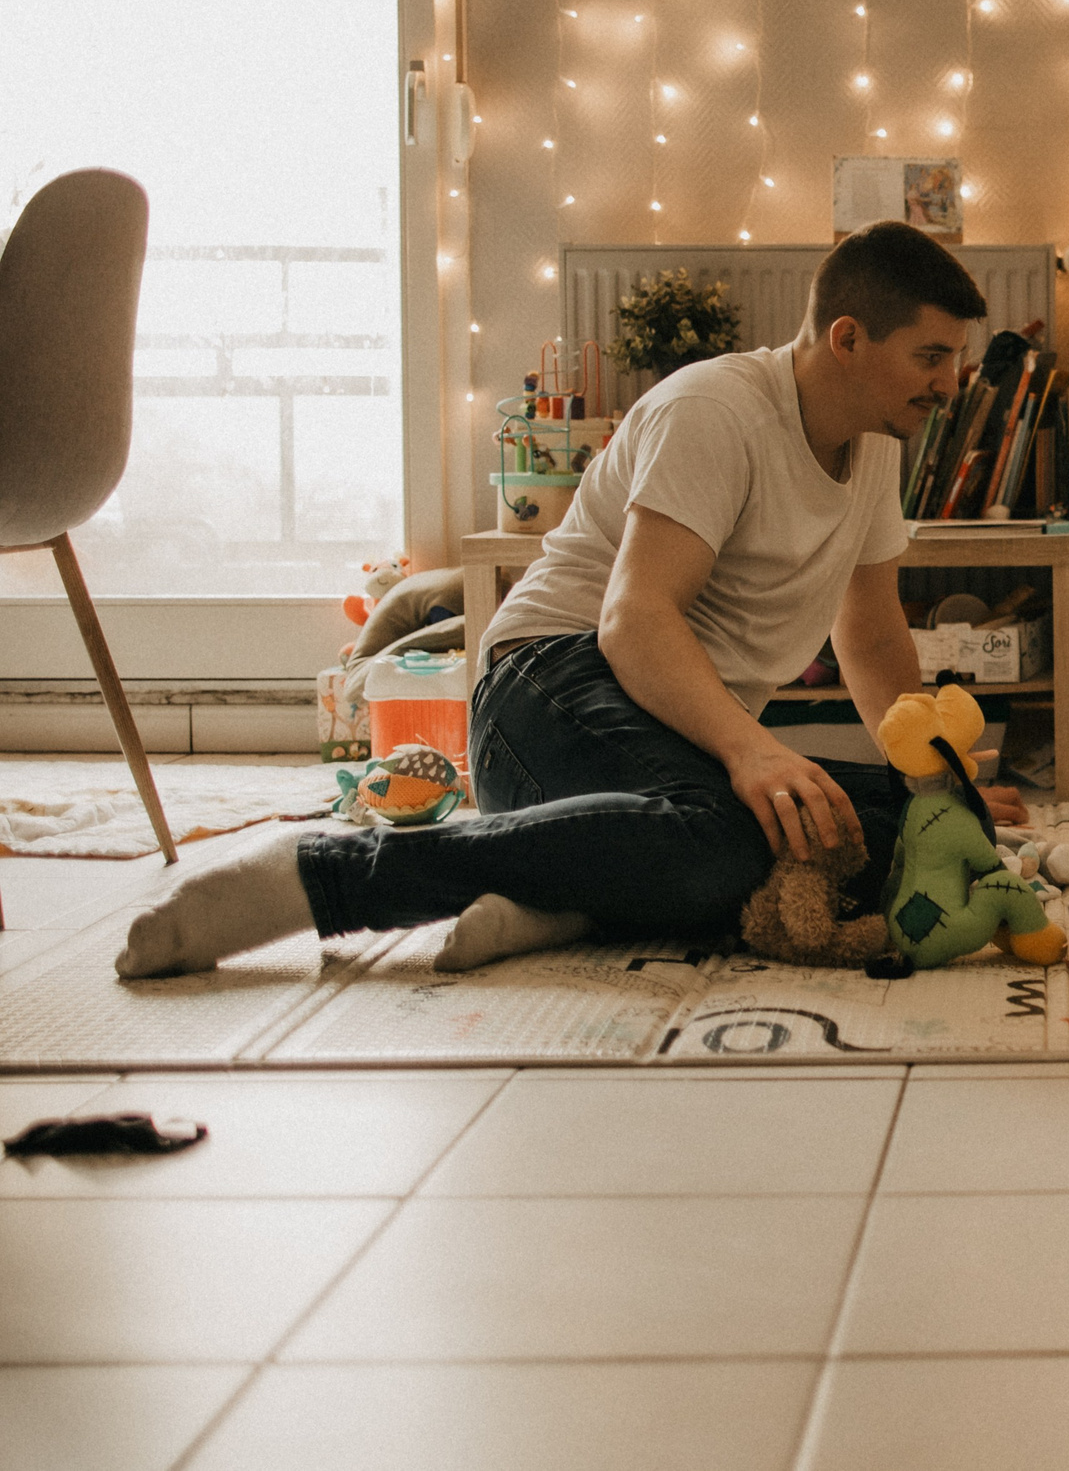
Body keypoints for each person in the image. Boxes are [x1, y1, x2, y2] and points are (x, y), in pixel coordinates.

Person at [117, 222, 989, 979]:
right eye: (931, 356)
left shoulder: (874, 444)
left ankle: (560, 899)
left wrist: (931, 772)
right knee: (728, 841)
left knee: (911, 823)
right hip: (548, 686)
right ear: (847, 339)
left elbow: (870, 634)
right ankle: (323, 873)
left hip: (668, 738)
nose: (949, 383)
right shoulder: (718, 412)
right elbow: (635, 621)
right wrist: (753, 754)